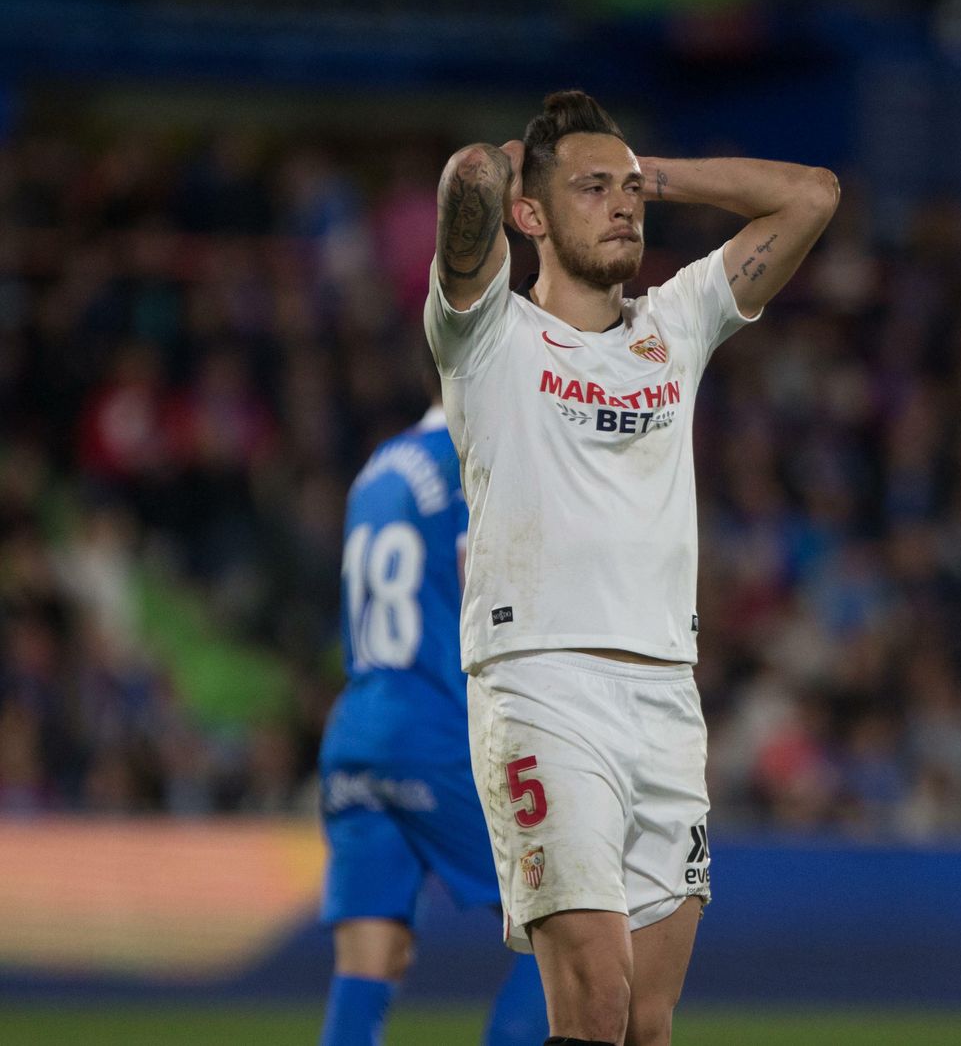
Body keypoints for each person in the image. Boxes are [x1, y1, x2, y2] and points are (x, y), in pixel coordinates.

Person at [423, 90, 838, 1046]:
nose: (624, 205)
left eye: (631, 189)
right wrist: (510, 167)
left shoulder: (674, 324)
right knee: (594, 1002)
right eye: (593, 188)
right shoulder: (487, 336)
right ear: (531, 214)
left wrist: (664, 175)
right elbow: (468, 184)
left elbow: (813, 196)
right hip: (543, 685)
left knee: (646, 1022)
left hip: (664, 698)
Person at [318, 391, 547, 1046]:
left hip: (357, 729)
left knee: (370, 958)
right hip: (437, 725)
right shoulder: (473, 458)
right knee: (566, 919)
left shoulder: (379, 466)